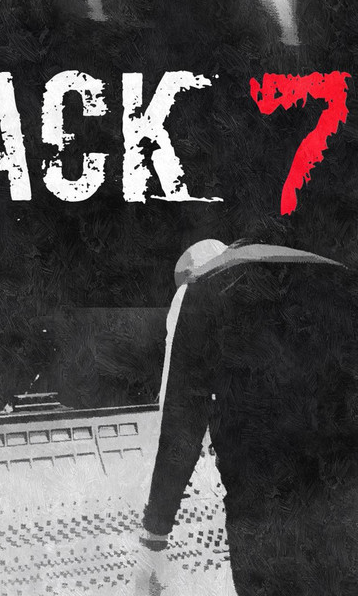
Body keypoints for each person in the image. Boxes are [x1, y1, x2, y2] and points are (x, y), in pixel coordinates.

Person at [140, 239, 358, 595]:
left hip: (261, 518)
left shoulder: (205, 292)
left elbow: (181, 427)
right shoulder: (340, 279)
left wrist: (155, 533)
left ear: (195, 272)